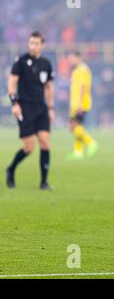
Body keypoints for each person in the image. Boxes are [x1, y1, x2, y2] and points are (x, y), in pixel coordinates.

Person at [6, 31, 55, 190]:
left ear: (42, 45)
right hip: (25, 108)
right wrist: (14, 103)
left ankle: (44, 182)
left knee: (45, 143)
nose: (32, 46)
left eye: (36, 43)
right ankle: (11, 168)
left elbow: (48, 87)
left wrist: (51, 108)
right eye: (31, 43)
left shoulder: (46, 64)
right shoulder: (20, 61)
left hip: (41, 108)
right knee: (29, 147)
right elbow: (12, 82)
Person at [65, 50, 98, 160]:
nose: (70, 60)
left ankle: (91, 142)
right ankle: (78, 152)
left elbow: (83, 87)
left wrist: (79, 104)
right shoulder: (77, 70)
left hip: (80, 104)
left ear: (78, 57)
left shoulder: (82, 70)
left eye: (71, 58)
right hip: (75, 103)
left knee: (73, 126)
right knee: (76, 127)